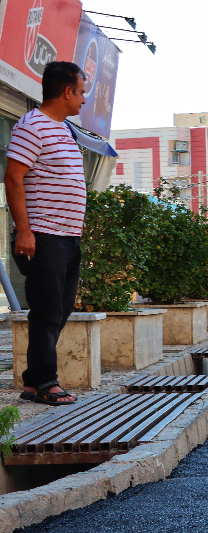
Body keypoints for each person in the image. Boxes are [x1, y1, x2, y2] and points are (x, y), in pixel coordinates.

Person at [4, 61, 86, 406]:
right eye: (81, 93)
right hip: (42, 235)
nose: (83, 100)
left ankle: (34, 381)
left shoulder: (64, 129)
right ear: (67, 91)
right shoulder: (32, 126)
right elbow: (13, 177)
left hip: (67, 236)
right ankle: (43, 382)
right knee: (47, 312)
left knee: (61, 310)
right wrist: (24, 230)